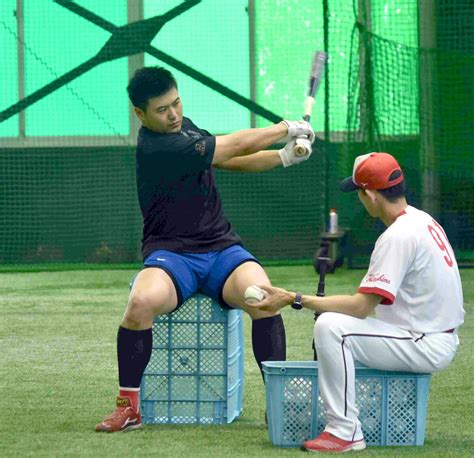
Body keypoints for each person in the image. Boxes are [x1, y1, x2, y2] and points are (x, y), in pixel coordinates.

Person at [95, 66, 316, 432]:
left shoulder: (185, 127)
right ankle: (128, 407)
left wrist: (285, 156)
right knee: (139, 304)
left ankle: (278, 404)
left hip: (221, 249)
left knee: (262, 295)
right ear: (140, 114)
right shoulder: (158, 146)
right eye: (163, 109)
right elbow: (234, 144)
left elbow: (231, 159)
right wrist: (285, 128)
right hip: (171, 255)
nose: (174, 114)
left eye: (176, 102)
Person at [249, 152, 465, 453]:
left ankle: (344, 430)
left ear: (371, 195)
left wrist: (294, 299)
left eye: (360, 192)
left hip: (423, 341)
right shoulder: (421, 220)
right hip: (429, 332)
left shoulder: (398, 236)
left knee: (331, 328)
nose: (360, 199)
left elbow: (361, 306)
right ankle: (372, 415)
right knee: (350, 329)